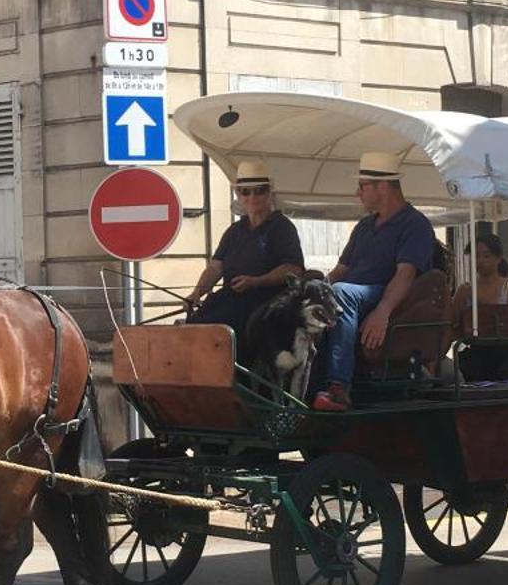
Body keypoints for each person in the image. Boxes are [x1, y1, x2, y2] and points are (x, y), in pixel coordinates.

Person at [308, 149, 437, 413]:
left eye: (362, 186)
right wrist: (316, 288)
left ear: (383, 186)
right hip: (353, 293)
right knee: (314, 298)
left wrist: (382, 312)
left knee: (342, 294)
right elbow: (341, 270)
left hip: (385, 296)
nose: (358, 193)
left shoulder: (415, 224)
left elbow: (405, 275)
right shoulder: (364, 226)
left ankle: (339, 388)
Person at [186, 159, 305, 347]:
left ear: (268, 193)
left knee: (226, 325)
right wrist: (197, 292)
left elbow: (294, 268)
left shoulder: (282, 227)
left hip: (265, 299)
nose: (252, 197)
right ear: (238, 195)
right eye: (245, 192)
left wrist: (256, 281)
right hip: (229, 296)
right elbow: (216, 268)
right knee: (196, 324)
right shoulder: (234, 231)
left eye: (259, 191)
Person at [452, 228, 508, 382]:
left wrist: (479, 299)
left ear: (498, 258)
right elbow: (452, 322)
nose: (480, 261)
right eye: (476, 256)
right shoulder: (465, 289)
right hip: (477, 351)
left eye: (486, 256)